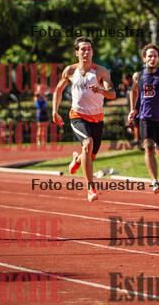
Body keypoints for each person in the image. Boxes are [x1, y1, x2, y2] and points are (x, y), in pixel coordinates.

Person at [52, 37, 116, 202]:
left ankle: (77, 159)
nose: (86, 52)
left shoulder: (101, 71)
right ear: (77, 52)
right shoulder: (70, 71)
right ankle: (90, 188)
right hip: (78, 116)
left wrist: (100, 90)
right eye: (83, 49)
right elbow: (58, 90)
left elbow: (112, 94)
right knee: (88, 143)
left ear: (92, 52)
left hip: (97, 119)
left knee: (89, 156)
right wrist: (55, 111)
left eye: (89, 49)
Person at [128, 44, 159, 194]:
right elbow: (134, 91)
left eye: (155, 56)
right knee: (148, 147)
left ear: (158, 58)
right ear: (144, 58)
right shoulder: (138, 76)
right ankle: (154, 181)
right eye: (149, 56)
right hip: (146, 118)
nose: (152, 59)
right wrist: (132, 109)